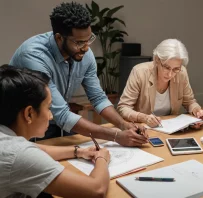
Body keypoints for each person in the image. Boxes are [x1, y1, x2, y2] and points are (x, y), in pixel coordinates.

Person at [9, 2, 147, 146]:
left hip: (58, 118)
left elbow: (98, 98)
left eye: (89, 40)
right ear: (59, 38)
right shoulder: (33, 56)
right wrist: (117, 136)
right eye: (79, 42)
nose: (86, 48)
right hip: (26, 126)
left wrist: (124, 125)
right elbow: (61, 113)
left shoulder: (85, 55)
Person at [0, 65, 110, 198]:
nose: (51, 116)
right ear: (29, 114)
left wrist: (79, 151)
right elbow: (96, 190)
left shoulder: (6, 139)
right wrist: (102, 159)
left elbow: (36, 149)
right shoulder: (17, 154)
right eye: (49, 108)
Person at [117, 39, 203, 128]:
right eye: (166, 67)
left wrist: (198, 111)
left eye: (176, 69)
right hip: (144, 128)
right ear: (157, 60)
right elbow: (123, 108)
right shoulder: (139, 72)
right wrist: (144, 118)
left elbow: (189, 102)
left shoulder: (181, 73)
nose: (170, 74)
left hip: (171, 128)